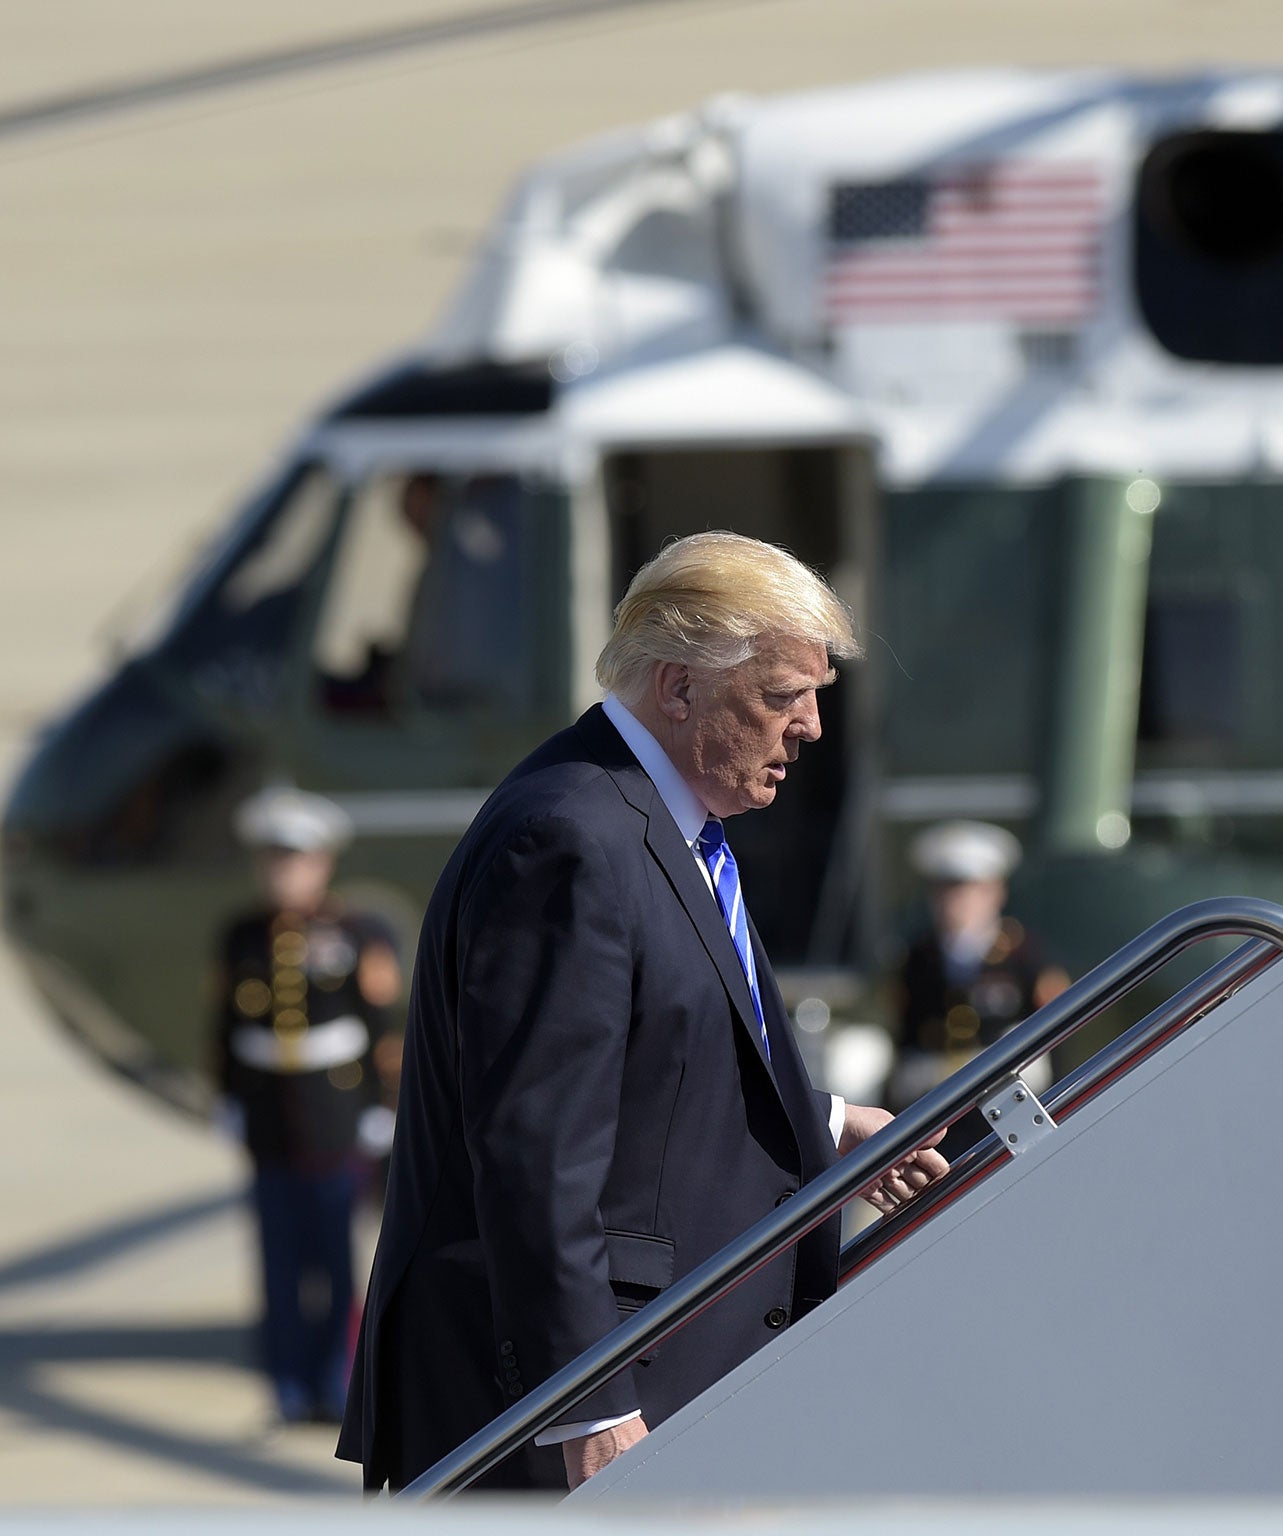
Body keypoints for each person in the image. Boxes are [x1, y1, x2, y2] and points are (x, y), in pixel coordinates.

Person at [339, 531, 947, 1493]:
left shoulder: (660, 823)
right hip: (567, 1414)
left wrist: (827, 1124)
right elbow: (535, 1151)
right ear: (678, 688)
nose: (813, 727)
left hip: (660, 1372)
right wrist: (587, 1401)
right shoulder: (571, 840)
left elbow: (660, 1058)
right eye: (786, 695)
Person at [215, 787, 402, 1426]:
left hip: (334, 1115)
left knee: (334, 1259)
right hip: (270, 1120)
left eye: (296, 861)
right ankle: (288, 1386)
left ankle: (335, 1380)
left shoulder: (353, 934)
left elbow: (381, 1026)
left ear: (322, 864)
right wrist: (229, 1100)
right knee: (278, 1262)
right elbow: (224, 1029)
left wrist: (382, 1107)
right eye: (273, 862)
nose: (284, 874)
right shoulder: (240, 934)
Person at [891, 821, 1068, 1161]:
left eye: (968, 889)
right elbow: (905, 1040)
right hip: (939, 1115)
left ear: (995, 892)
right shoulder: (917, 959)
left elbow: (1057, 1041)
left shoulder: (1025, 955)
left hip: (1015, 1110)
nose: (955, 901)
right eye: (945, 889)